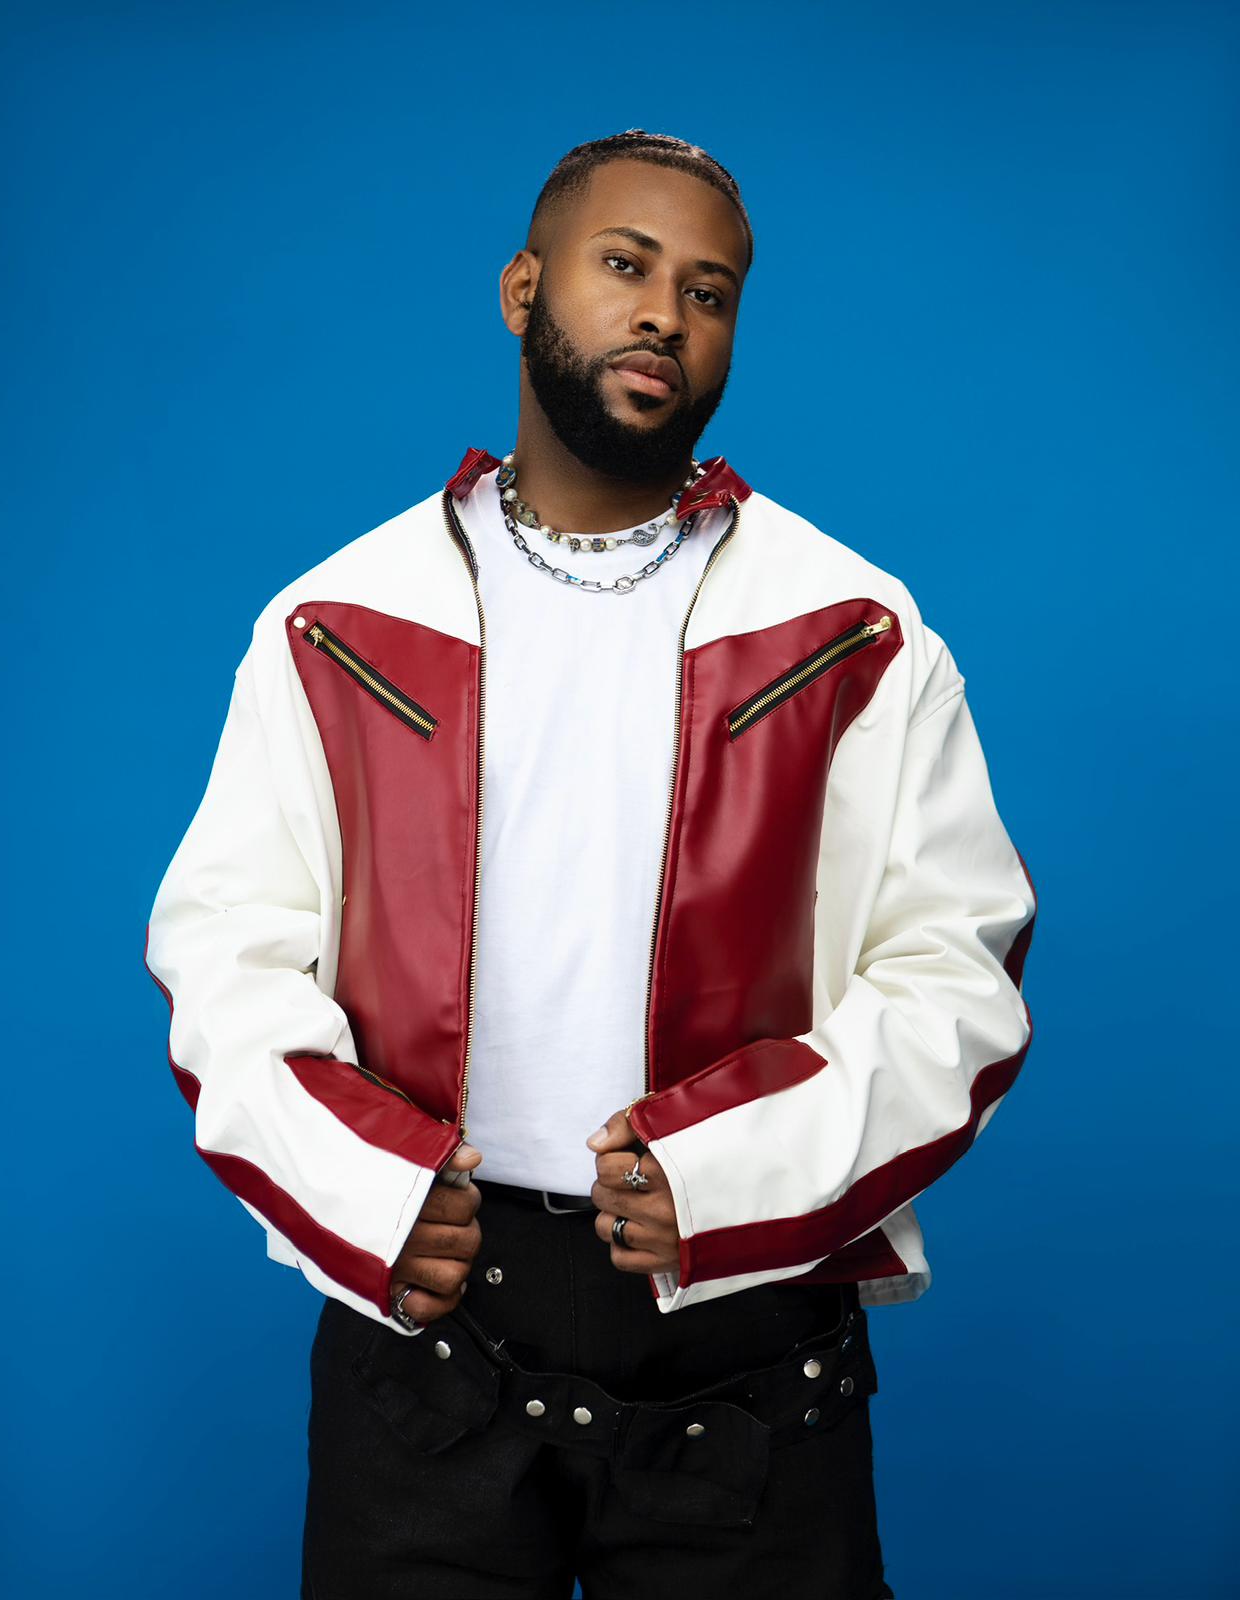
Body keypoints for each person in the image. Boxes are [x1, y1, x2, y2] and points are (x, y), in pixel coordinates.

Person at [144, 129, 1037, 1599]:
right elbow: (224, 953)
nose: (664, 316)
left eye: (709, 291)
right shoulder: (337, 620)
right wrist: (364, 1187)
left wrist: (731, 1168)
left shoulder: (854, 628)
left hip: (747, 1346)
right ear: (523, 288)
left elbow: (961, 974)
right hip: (429, 1328)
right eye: (626, 265)